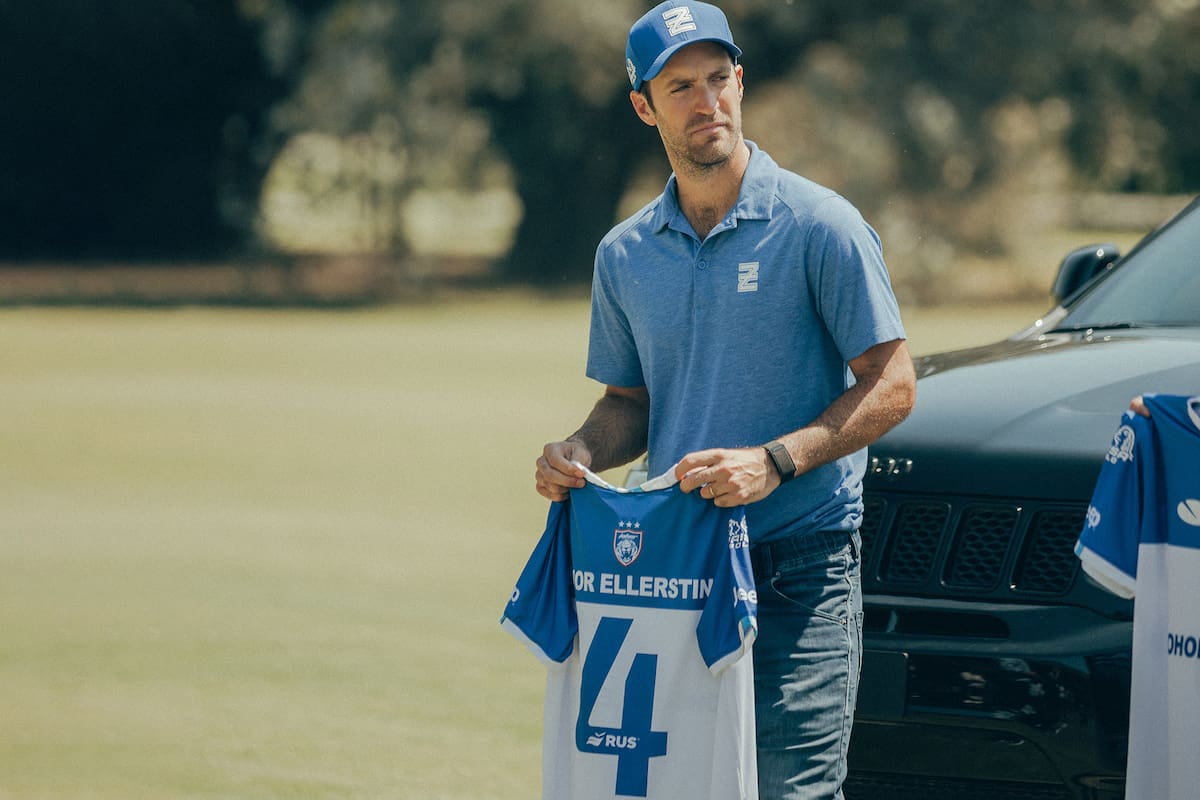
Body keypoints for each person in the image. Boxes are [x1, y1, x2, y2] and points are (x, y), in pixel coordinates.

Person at [533, 2, 917, 798]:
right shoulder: (625, 253)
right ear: (644, 106)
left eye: (718, 79)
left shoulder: (821, 227)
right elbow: (628, 403)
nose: (707, 102)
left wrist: (776, 461)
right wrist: (580, 450)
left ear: (740, 84)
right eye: (681, 87)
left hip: (797, 575)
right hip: (671, 576)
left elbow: (893, 384)